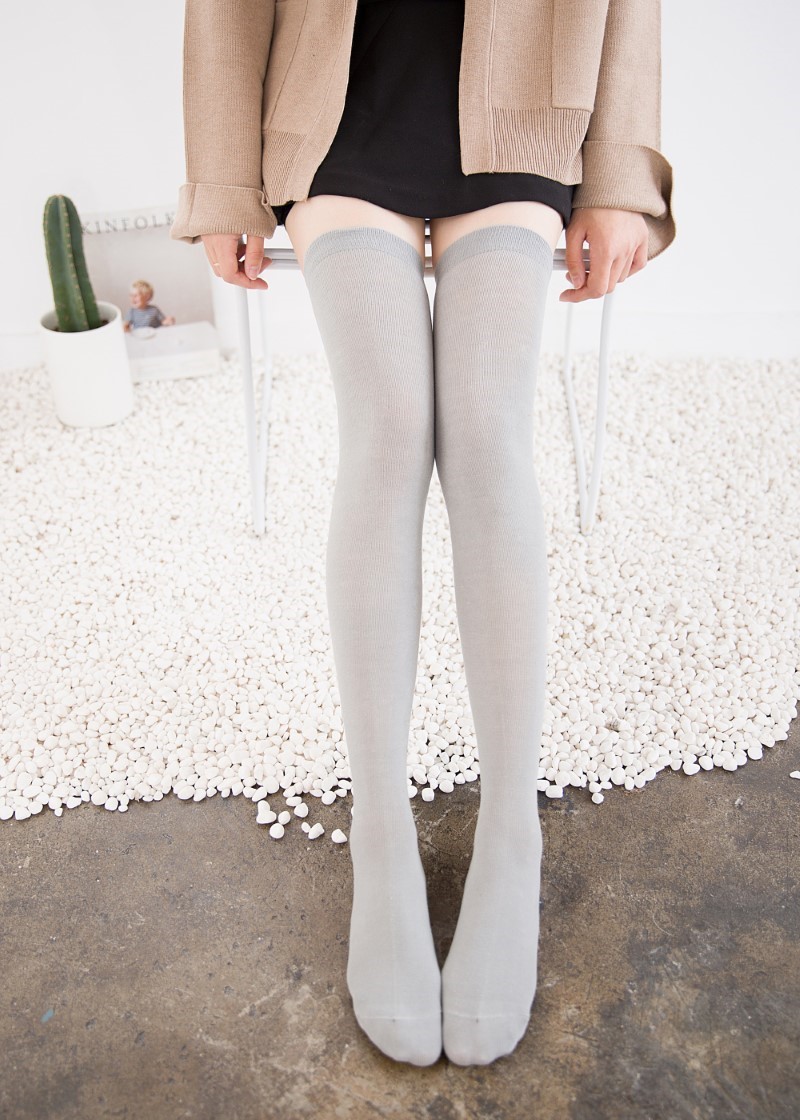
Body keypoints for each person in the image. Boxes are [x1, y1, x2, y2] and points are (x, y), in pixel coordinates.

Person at [171, 0, 676, 1069]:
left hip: (526, 105)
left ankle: (510, 828)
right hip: (336, 106)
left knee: (487, 427)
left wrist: (620, 173)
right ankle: (381, 831)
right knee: (391, 424)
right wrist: (221, 179)